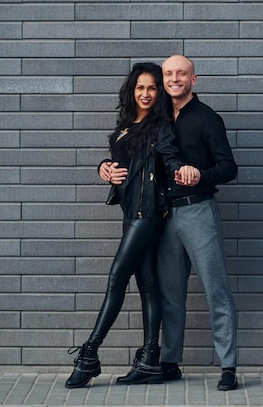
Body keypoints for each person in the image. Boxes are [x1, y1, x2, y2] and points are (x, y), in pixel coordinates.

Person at [65, 62, 192, 388]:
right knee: (147, 285)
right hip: (130, 213)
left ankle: (90, 355)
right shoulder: (126, 124)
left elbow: (168, 155)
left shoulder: (160, 126)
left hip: (147, 214)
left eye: (152, 87)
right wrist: (103, 166)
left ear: (158, 92)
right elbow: (120, 162)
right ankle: (150, 360)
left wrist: (181, 169)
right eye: (141, 88)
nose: (146, 93)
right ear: (131, 91)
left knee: (116, 279)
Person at [157, 55, 239, 391]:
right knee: (170, 292)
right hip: (164, 216)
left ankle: (228, 367)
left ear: (194, 79)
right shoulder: (157, 117)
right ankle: (170, 362)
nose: (174, 78)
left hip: (199, 211)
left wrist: (201, 175)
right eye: (168, 73)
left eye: (181, 73)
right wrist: (105, 165)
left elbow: (229, 168)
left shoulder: (208, 119)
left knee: (215, 290)